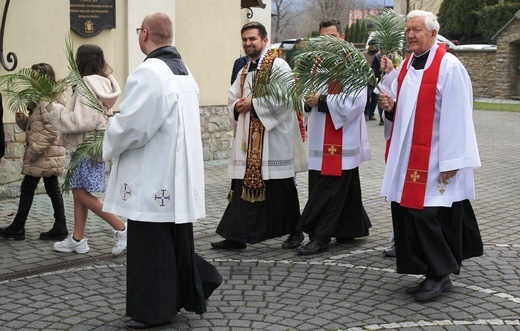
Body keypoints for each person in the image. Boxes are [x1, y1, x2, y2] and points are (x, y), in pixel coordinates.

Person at [102, 12, 222, 329]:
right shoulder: (184, 72)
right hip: (174, 178)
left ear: (144, 35)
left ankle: (152, 311)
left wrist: (108, 127)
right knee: (171, 242)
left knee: (150, 248)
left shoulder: (150, 73)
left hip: (151, 178)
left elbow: (133, 127)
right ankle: (190, 288)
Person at [378, 10, 483, 302]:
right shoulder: (407, 66)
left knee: (425, 216)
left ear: (434, 33)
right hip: (408, 158)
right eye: (408, 30)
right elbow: (403, 111)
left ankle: (439, 274)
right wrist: (389, 106)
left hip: (436, 159)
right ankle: (433, 273)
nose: (410, 34)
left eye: (417, 29)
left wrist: (452, 161)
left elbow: (459, 117)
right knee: (410, 215)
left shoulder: (450, 67)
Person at [211, 21, 306, 250]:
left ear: (264, 40)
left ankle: (296, 231)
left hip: (272, 141)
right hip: (248, 143)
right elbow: (232, 96)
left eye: (252, 39)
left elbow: (285, 100)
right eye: (244, 39)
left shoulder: (279, 65)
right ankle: (236, 235)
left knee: (281, 189)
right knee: (240, 187)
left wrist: (252, 104)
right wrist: (237, 106)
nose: (247, 43)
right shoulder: (244, 69)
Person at [295, 18, 372, 256]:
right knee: (338, 188)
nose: (326, 42)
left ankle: (320, 236)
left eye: (331, 37)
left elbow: (357, 102)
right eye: (322, 38)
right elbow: (305, 96)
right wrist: (304, 98)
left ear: (342, 37)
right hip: (319, 138)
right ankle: (349, 228)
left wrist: (322, 100)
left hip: (343, 138)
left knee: (329, 190)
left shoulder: (353, 64)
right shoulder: (316, 64)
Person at [44, 45, 127, 255]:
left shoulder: (85, 85)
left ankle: (122, 228)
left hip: (85, 146)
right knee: (79, 190)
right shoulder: (104, 82)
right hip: (94, 144)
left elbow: (82, 121)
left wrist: (55, 111)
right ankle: (78, 238)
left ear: (81, 61)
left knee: (80, 192)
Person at [0, 63, 68, 241]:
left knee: (30, 188)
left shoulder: (47, 100)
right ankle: (59, 225)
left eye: (35, 76)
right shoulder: (40, 98)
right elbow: (35, 127)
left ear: (45, 78)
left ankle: (19, 226)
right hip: (46, 154)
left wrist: (34, 151)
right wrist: (22, 120)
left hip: (44, 154)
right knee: (50, 187)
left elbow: (53, 130)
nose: (31, 79)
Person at [362, 41, 380, 121]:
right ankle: (366, 114)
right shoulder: (363, 54)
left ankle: (371, 114)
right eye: (371, 45)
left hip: (376, 80)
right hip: (366, 80)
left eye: (374, 45)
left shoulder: (379, 55)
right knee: (367, 96)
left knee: (375, 98)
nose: (372, 47)